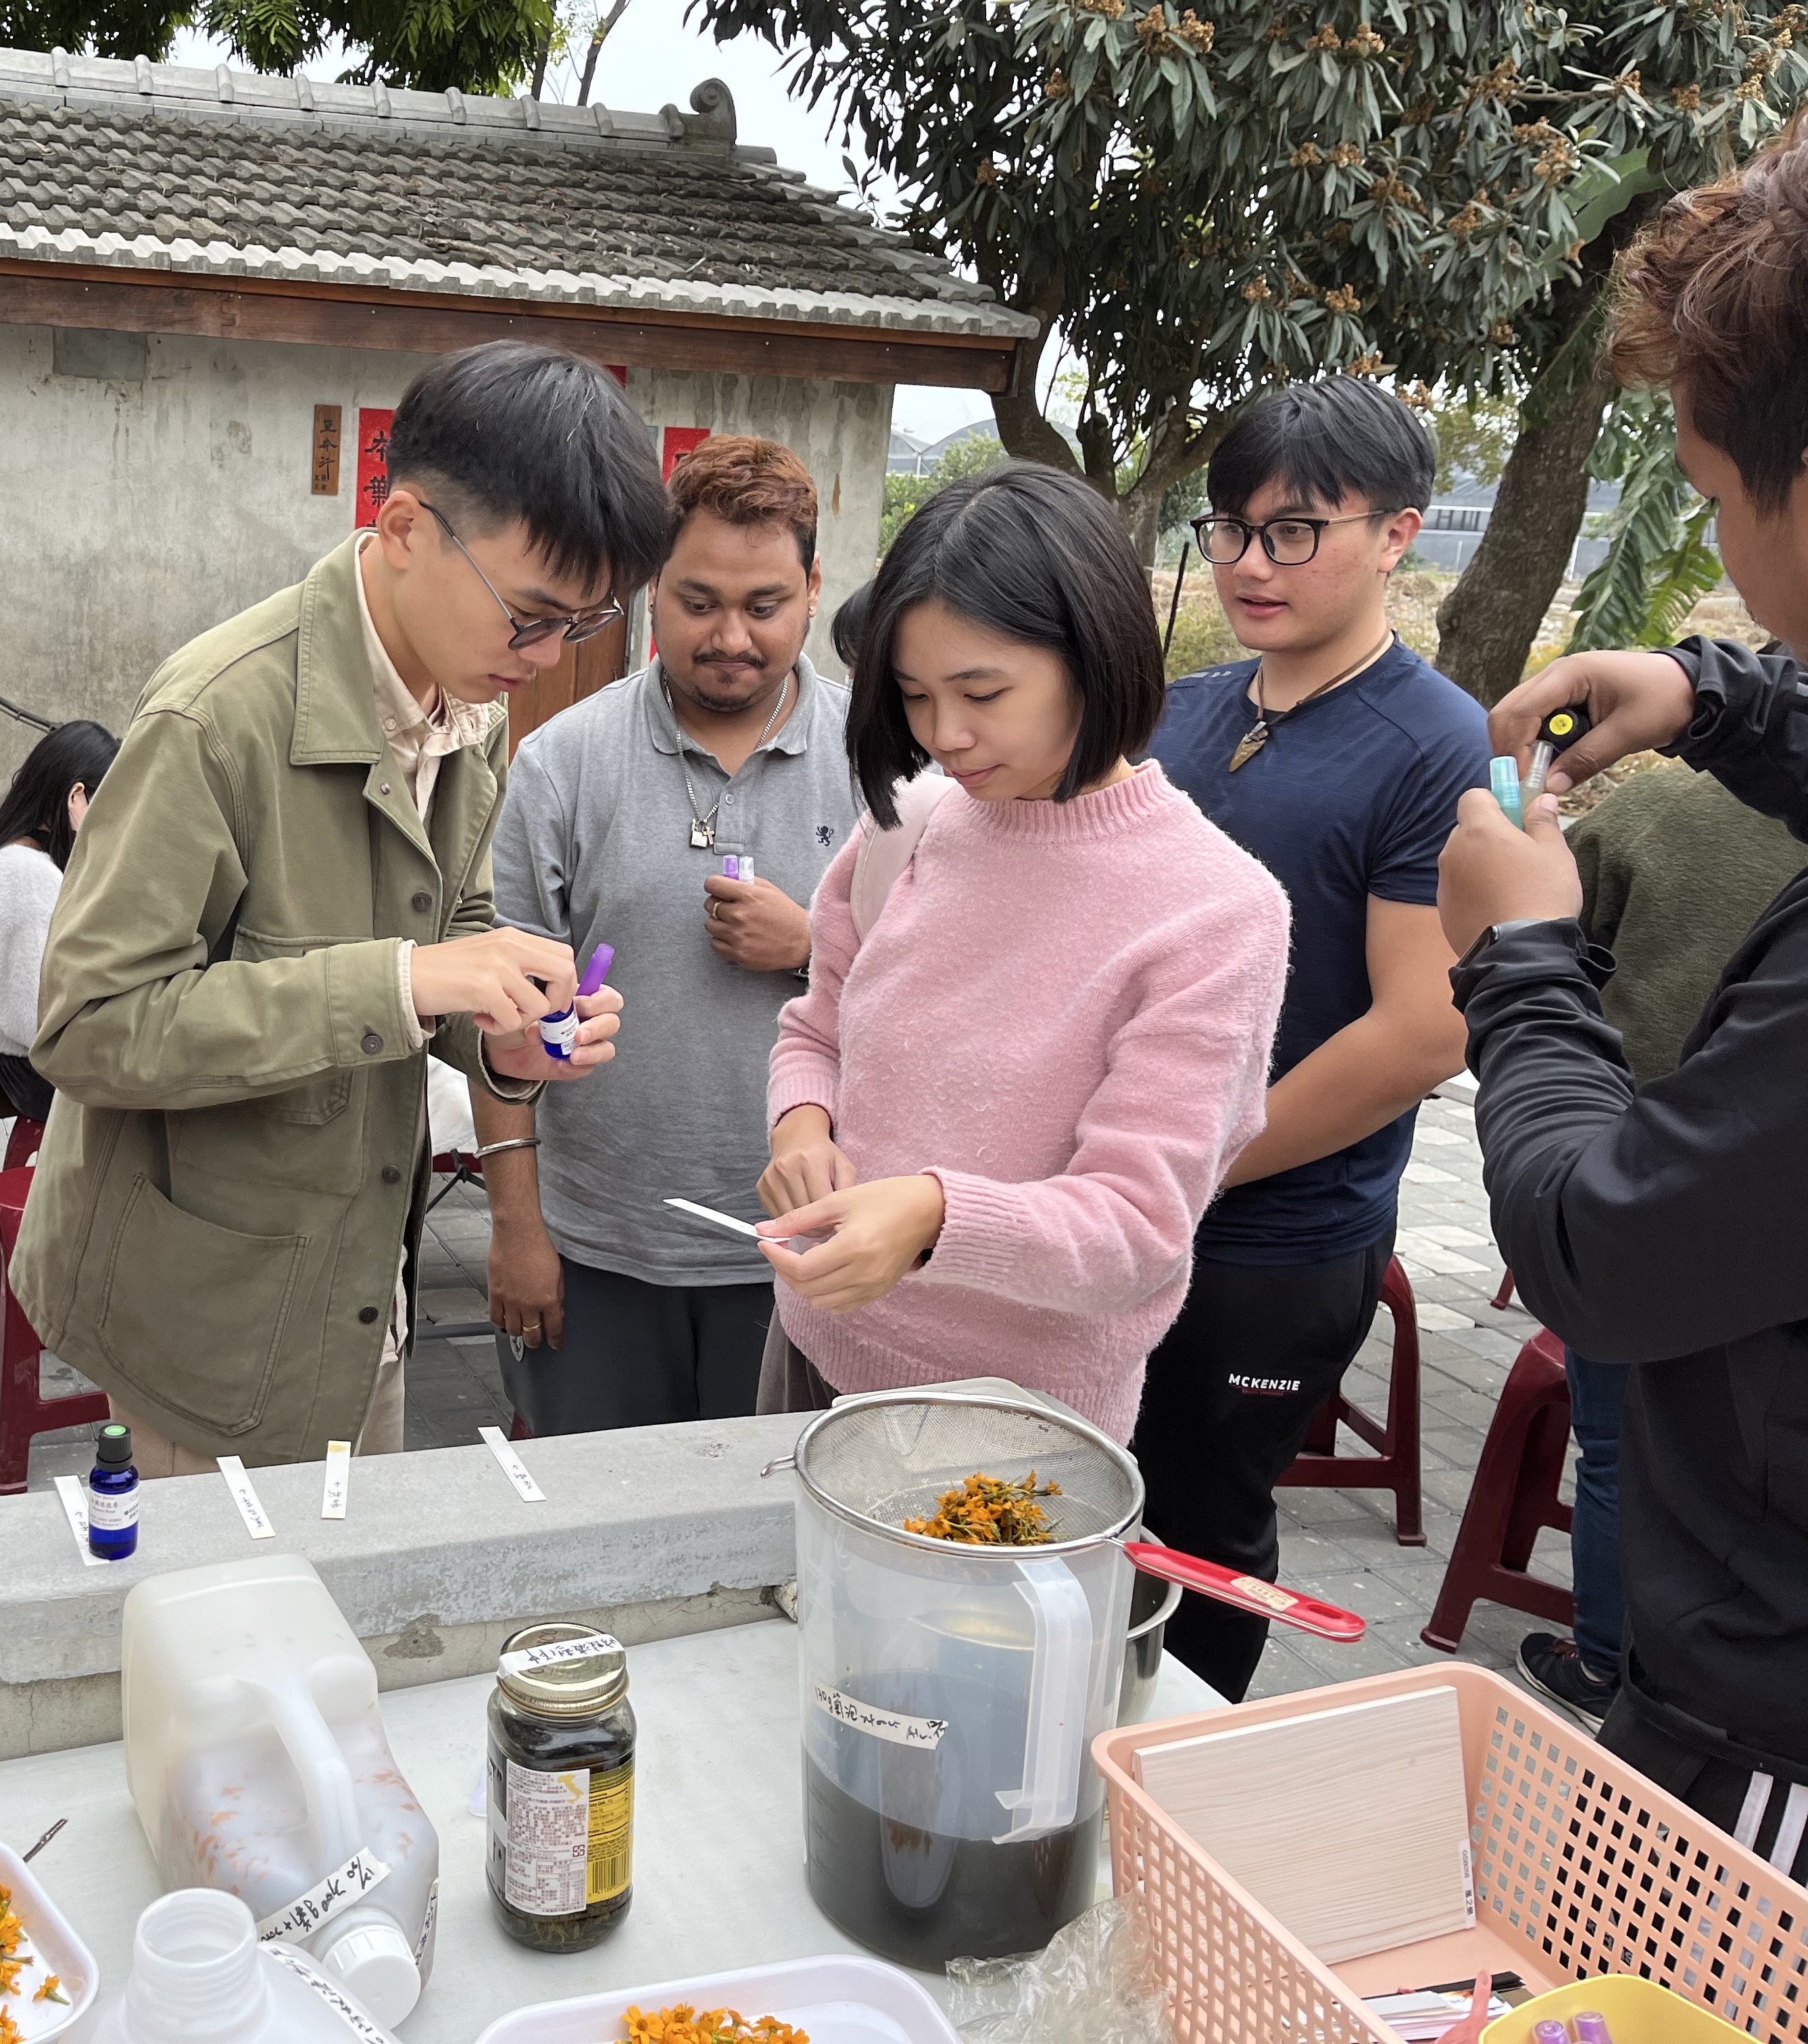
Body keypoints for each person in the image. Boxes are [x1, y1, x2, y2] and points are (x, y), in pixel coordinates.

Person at [12, 341, 672, 1477]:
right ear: (407, 529)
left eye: (583, 623)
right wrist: (405, 983)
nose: (548, 654)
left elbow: (454, 922)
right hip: (206, 1321)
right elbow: (87, 1025)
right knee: (221, 1630)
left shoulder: (469, 703)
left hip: (359, 1283)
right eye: (529, 615)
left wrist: (503, 1026)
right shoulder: (215, 717)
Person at [1438, 110, 1808, 1855]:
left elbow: (1606, 1246)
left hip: (1769, 1725)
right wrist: (1718, 693)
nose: (1722, 546)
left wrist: (1518, 957)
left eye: (1722, 500)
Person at [754, 462, 1292, 1442]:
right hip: (817, 1350)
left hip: (1015, 1423)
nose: (944, 735)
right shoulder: (916, 826)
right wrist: (801, 1131)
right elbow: (817, 1026)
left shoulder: (1214, 911)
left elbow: (1136, 1229)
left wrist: (929, 1216)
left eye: (983, 691)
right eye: (914, 695)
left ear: (1095, 656)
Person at [1129, 377, 1490, 1702]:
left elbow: (1421, 1031)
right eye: (1227, 529)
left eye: (1295, 532)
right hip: (1135, 1200)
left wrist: (1200, 1161)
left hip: (1272, 1240)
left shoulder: (1431, 745)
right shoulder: (1189, 714)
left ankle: (1175, 1794)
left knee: (1203, 1540)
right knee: (1099, 1506)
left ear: (1398, 534)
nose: (1248, 564)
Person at [477, 435, 861, 1433]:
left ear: (814, 588)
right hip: (597, 1244)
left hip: (809, 1247)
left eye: (764, 606)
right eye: (698, 603)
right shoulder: (562, 762)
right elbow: (499, 1021)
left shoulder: (883, 768)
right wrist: (519, 1228)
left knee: (768, 1540)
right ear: (654, 592)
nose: (729, 636)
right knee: (594, 1536)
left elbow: (952, 999)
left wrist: (816, 948)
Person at [1516, 762, 1808, 1726]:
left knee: (1622, 1441)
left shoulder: (1660, 806)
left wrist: (1515, 964)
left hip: (1637, 1170)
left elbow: (1561, 939)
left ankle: (1605, 1655)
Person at [0, 719, 122, 1127]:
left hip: (8, 1063)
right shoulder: (27, 876)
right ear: (77, 797)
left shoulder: (6, 850)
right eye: (112, 804)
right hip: (31, 1075)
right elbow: (32, 1021)